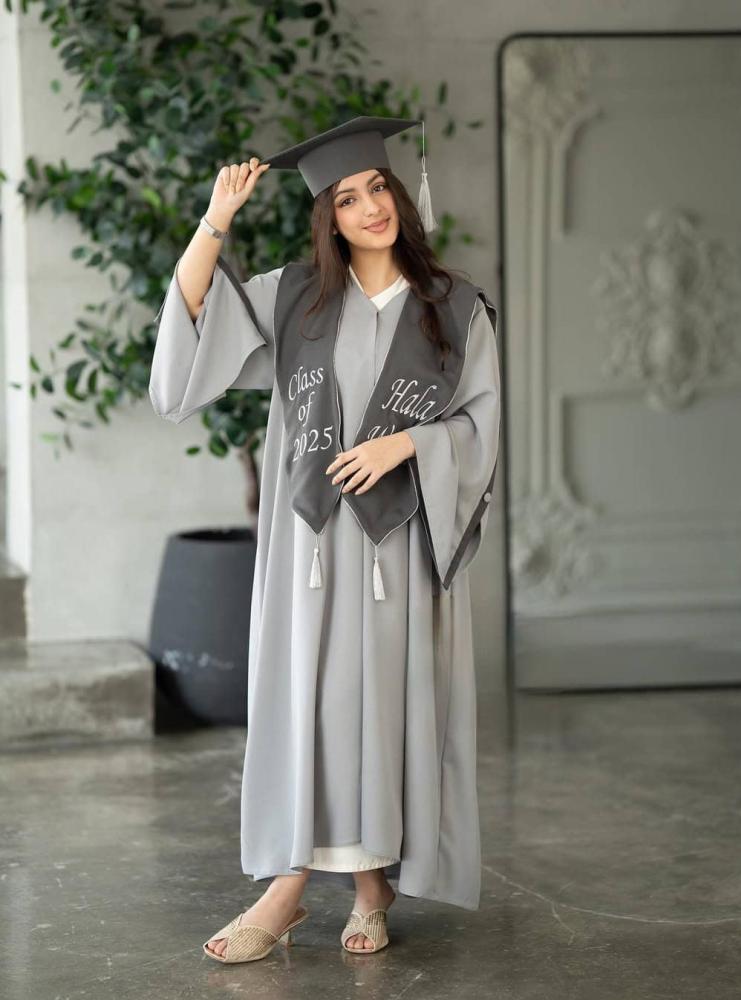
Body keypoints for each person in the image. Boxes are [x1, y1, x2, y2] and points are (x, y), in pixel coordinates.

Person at [149, 115, 501, 963]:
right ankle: (291, 886)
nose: (370, 207)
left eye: (378, 187)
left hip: (398, 545)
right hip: (308, 547)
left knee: (381, 708)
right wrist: (215, 221)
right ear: (329, 218)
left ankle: (372, 885)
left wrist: (407, 444)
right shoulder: (295, 298)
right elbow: (189, 346)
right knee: (314, 704)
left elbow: (482, 425)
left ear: (399, 194)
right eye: (347, 198)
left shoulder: (453, 307)